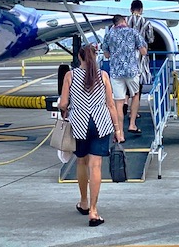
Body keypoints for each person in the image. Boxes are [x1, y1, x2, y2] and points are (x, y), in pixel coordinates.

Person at [58, 43, 122, 227]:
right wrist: (117, 129)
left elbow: (63, 103)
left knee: (81, 161)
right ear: (95, 57)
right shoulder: (103, 76)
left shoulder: (70, 75)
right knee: (96, 166)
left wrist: (66, 110)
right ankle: (94, 211)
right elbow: (110, 104)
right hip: (100, 123)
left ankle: (84, 202)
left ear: (79, 57)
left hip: (79, 123)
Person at [101, 15, 147, 140]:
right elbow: (143, 51)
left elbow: (106, 54)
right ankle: (132, 124)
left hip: (116, 72)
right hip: (131, 71)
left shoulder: (109, 35)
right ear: (124, 21)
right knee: (135, 94)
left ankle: (120, 133)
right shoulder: (133, 32)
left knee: (118, 103)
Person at [126, 0, 155, 116]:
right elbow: (151, 39)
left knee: (126, 86)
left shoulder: (125, 21)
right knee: (138, 87)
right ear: (141, 10)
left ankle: (124, 104)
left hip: (126, 58)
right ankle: (135, 112)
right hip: (140, 58)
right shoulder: (146, 23)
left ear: (130, 9)